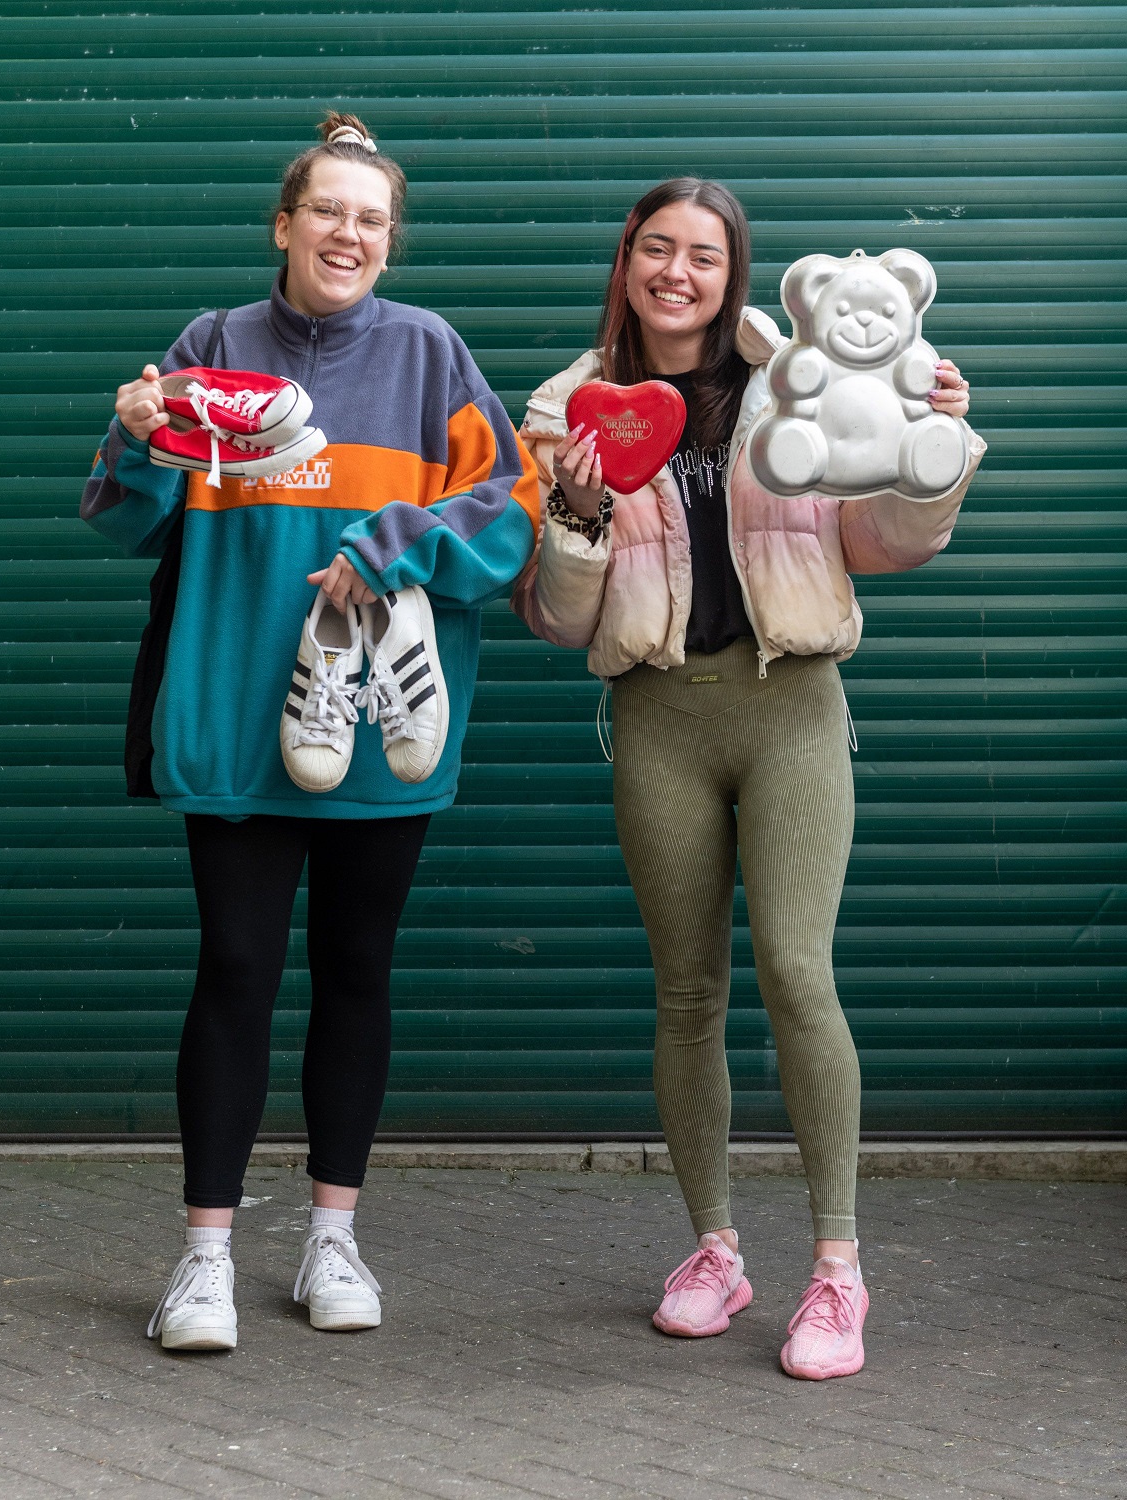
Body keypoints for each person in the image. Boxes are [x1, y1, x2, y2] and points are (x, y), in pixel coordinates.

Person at [81, 111, 538, 1351]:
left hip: (387, 717)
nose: (349, 233)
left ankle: (333, 1238)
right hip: (237, 710)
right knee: (233, 970)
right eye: (328, 211)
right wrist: (133, 438)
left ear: (390, 242)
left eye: (371, 218)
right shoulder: (209, 346)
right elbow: (125, 523)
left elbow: (509, 516)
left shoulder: (432, 354)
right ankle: (206, 1259)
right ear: (284, 226)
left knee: (357, 972)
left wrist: (395, 539)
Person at [513, 178, 983, 1379]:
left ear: (737, 274)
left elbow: (878, 544)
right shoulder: (567, 408)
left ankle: (838, 1271)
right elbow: (558, 624)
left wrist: (930, 465)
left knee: (794, 966)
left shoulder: (809, 370)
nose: (678, 272)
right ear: (626, 260)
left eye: (705, 256)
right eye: (657, 248)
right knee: (687, 994)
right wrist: (573, 513)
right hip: (659, 715)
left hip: (792, 710)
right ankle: (715, 1250)